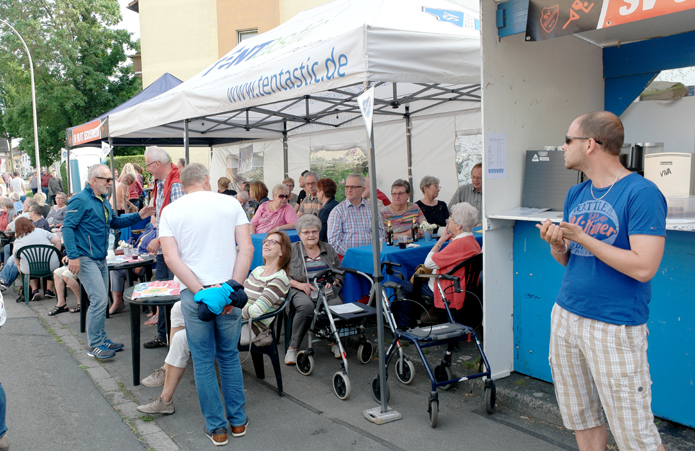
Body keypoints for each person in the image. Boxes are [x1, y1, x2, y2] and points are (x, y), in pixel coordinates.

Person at [537, 111, 666, 451]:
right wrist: (558, 244)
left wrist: (585, 237)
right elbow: (570, 260)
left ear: (590, 144)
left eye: (568, 140)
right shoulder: (577, 193)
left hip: (614, 326)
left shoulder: (642, 193)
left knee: (634, 433)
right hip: (566, 315)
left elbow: (644, 267)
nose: (562, 147)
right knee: (582, 418)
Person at [159, 163, 253, 445]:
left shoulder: (170, 211)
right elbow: (246, 248)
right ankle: (237, 422)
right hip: (228, 289)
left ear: (184, 183)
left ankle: (217, 428)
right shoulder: (231, 204)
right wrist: (231, 289)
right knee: (228, 356)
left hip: (193, 294)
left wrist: (202, 293)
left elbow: (171, 258)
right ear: (206, 180)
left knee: (202, 361)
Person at [62, 164, 154, 359]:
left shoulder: (102, 200)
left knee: (101, 299)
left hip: (99, 257)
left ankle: (101, 339)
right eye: (107, 180)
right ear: (94, 180)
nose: (111, 183)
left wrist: (140, 215)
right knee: (99, 300)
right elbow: (67, 228)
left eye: (111, 180)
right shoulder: (80, 200)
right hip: (85, 257)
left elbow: (114, 222)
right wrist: (73, 256)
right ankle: (94, 345)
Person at [396, 202, 480, 326]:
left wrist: (440, 241)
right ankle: (430, 315)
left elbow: (428, 263)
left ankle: (406, 327)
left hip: (446, 287)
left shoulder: (458, 244)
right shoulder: (473, 241)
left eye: (450, 219)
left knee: (402, 286)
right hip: (465, 286)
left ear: (458, 226)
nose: (448, 221)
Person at [285, 215, 344, 364]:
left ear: (319, 232)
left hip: (325, 289)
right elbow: (280, 274)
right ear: (299, 234)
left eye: (314, 231)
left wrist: (334, 281)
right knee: (306, 307)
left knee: (337, 306)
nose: (311, 235)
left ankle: (334, 342)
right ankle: (293, 348)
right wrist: (299, 285)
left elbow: (338, 271)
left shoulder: (328, 248)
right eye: (306, 232)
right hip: (300, 288)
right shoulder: (292, 250)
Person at [143, 146, 184, 350]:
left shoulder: (175, 185)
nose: (147, 169)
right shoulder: (163, 183)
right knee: (163, 292)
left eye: (148, 165)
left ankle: (170, 337)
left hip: (172, 250)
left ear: (157, 164)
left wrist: (158, 239)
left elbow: (178, 222)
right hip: (165, 249)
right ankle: (164, 335)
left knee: (170, 294)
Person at [327, 173, 385, 259]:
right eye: (347, 187)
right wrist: (354, 255)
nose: (349, 190)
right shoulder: (337, 211)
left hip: (371, 257)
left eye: (353, 187)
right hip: (348, 259)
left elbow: (381, 234)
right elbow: (334, 241)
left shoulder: (372, 209)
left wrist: (373, 253)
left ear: (363, 189)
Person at [109, 225, 156, 314]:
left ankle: (153, 309)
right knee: (115, 270)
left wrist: (141, 263)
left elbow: (157, 251)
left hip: (148, 264)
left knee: (123, 269)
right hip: (136, 260)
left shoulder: (159, 232)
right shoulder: (150, 228)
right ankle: (118, 301)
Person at [12, 217, 61, 300]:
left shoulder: (18, 240)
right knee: (49, 262)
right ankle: (49, 290)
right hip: (50, 264)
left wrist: (18, 266)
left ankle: (34, 290)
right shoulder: (41, 231)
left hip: (31, 268)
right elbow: (57, 241)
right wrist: (56, 254)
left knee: (28, 262)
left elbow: (15, 256)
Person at [316, 178, 339, 243]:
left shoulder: (325, 210)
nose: (316, 194)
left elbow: (321, 233)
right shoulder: (338, 205)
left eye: (317, 191)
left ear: (322, 192)